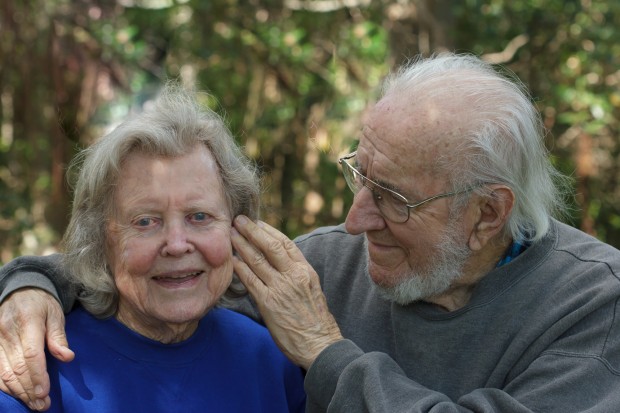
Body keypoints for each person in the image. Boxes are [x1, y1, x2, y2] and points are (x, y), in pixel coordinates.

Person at [1, 52, 620, 412]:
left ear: (487, 214)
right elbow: (175, 272)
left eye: (394, 199)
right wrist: (31, 283)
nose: (355, 220)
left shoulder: (595, 306)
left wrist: (327, 354)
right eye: (360, 176)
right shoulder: (331, 261)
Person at [0, 84, 306, 412]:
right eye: (146, 221)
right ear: (101, 239)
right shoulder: (33, 366)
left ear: (236, 226)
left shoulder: (272, 360)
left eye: (199, 216)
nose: (177, 245)